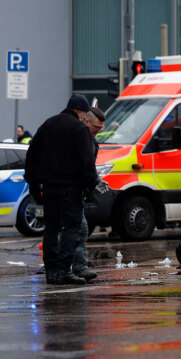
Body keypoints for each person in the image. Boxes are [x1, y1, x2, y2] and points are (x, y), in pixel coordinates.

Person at [25, 94, 101, 285]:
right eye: (84, 114)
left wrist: (34, 185)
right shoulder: (79, 129)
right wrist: (91, 185)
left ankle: (51, 272)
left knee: (51, 228)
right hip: (70, 188)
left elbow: (31, 155)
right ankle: (63, 271)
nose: (85, 118)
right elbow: (86, 161)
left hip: (49, 188)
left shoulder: (47, 125)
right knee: (71, 228)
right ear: (78, 111)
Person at [71, 106, 106, 281]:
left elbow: (89, 168)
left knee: (73, 229)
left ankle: (72, 264)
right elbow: (82, 167)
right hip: (70, 190)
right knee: (80, 228)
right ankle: (77, 266)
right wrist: (94, 182)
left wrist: (95, 181)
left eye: (101, 128)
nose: (98, 131)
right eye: (96, 127)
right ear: (87, 121)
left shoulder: (93, 142)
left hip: (77, 191)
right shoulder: (79, 138)